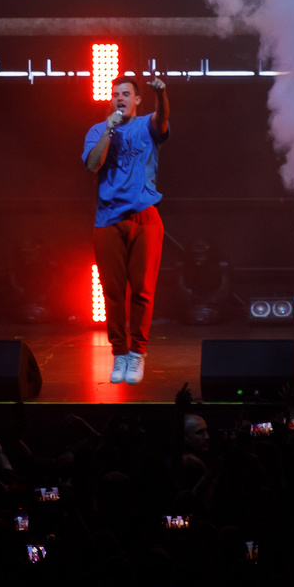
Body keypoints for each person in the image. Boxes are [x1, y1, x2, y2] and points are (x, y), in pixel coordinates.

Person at [83, 71, 170, 385]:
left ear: (137, 99)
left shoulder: (147, 124)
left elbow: (162, 119)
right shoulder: (98, 130)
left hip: (144, 217)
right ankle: (119, 352)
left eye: (126, 94)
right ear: (111, 101)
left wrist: (161, 94)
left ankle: (137, 354)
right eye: (116, 94)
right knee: (113, 292)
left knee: (143, 291)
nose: (120, 98)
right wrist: (109, 130)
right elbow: (92, 164)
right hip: (108, 220)